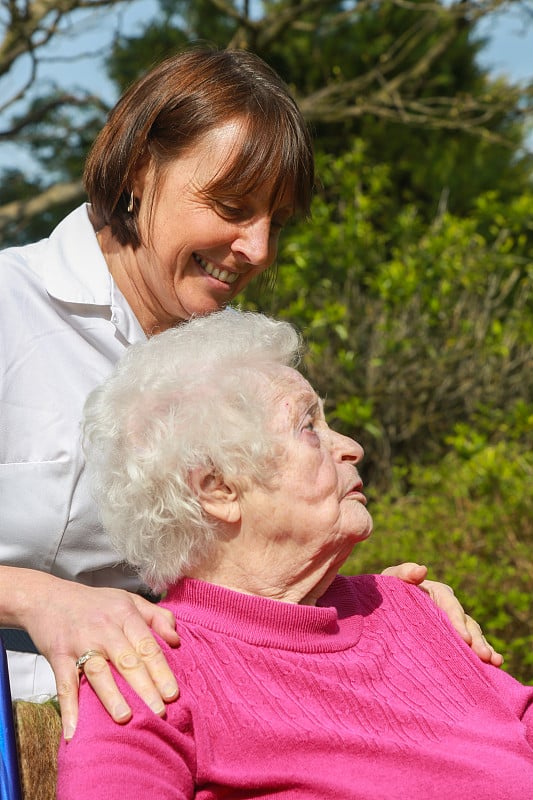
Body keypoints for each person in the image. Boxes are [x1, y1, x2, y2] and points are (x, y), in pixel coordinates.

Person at [0, 47, 499, 742]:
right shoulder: (9, 307)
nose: (258, 249)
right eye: (232, 207)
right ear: (141, 170)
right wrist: (37, 598)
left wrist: (389, 611)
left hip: (165, 730)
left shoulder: (238, 359)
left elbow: (259, 564)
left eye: (276, 221)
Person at [58, 310, 533, 799]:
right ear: (218, 488)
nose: (352, 447)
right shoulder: (150, 670)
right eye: (309, 426)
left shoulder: (411, 609)